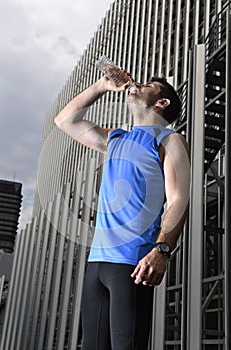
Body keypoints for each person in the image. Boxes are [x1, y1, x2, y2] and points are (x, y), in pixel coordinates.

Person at [54, 68, 190, 350]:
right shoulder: (115, 139)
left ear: (161, 102)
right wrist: (102, 85)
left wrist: (162, 250)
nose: (137, 84)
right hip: (97, 264)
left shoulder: (168, 140)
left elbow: (178, 199)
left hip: (134, 263)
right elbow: (64, 120)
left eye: (149, 85)